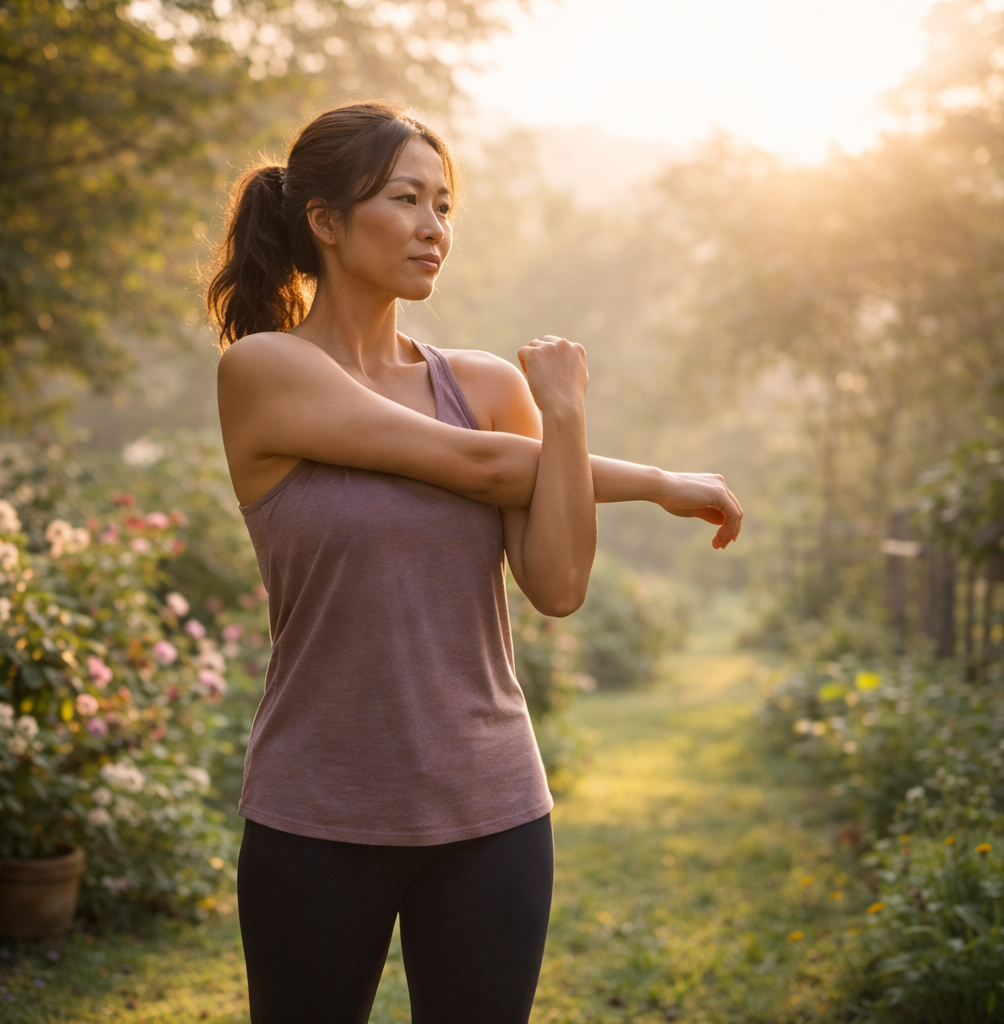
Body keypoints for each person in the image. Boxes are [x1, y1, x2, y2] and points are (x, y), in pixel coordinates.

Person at [210, 101, 742, 1024]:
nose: (433, 228)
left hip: (493, 808)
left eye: (444, 205)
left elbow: (559, 587)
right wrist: (656, 478)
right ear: (325, 221)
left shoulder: (491, 387)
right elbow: (478, 464)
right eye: (405, 199)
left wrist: (566, 418)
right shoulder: (264, 370)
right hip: (317, 809)